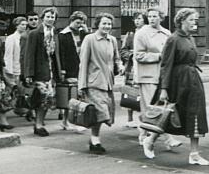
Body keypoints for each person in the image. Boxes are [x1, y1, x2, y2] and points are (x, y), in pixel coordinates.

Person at [145, 8, 209, 166]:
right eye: (192, 20)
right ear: (182, 21)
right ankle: (150, 140)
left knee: (195, 115)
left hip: (193, 81)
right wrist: (164, 89)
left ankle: (194, 154)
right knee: (171, 116)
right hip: (178, 82)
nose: (195, 22)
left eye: (195, 20)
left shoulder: (190, 38)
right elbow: (166, 65)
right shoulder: (173, 39)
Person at [135, 8, 182, 154]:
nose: (152, 19)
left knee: (158, 107)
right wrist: (158, 56)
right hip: (148, 75)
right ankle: (168, 139)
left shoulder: (167, 33)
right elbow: (138, 55)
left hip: (163, 76)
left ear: (161, 18)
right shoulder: (142, 33)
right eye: (149, 16)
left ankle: (143, 133)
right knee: (153, 109)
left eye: (155, 16)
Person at [78, 12, 124, 155]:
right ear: (97, 24)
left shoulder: (112, 40)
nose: (107, 26)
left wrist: (120, 65)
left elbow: (117, 58)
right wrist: (82, 85)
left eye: (109, 24)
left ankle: (94, 139)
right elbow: (83, 62)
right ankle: (95, 140)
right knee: (101, 112)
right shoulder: (90, 39)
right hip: (94, 82)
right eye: (104, 23)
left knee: (102, 113)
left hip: (108, 82)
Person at [25, 7, 61, 136]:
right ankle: (38, 124)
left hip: (51, 71)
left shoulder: (55, 33)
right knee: (42, 98)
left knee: (49, 99)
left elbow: (56, 54)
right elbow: (29, 54)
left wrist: (59, 70)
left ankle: (39, 122)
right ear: (43, 18)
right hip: (40, 71)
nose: (50, 19)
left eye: (52, 17)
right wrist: (29, 73)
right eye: (48, 16)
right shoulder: (35, 33)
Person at [57, 11, 88, 132]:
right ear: (71, 21)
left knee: (79, 96)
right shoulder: (64, 34)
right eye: (77, 22)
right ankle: (67, 121)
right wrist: (63, 70)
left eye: (81, 23)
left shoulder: (82, 33)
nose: (79, 25)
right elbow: (62, 53)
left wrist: (85, 31)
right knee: (71, 97)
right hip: (70, 68)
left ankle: (72, 121)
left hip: (81, 67)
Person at [119, 11, 145, 128]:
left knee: (143, 93)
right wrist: (130, 54)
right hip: (131, 66)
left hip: (144, 66)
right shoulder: (130, 35)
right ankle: (130, 118)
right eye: (135, 19)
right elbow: (123, 51)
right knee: (130, 92)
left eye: (139, 18)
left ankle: (143, 117)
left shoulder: (147, 33)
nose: (137, 21)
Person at [4, 17, 27, 87]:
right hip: (15, 68)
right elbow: (8, 55)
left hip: (24, 68)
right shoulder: (11, 38)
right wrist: (9, 70)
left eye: (25, 25)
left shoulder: (26, 37)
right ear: (16, 26)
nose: (24, 27)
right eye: (22, 25)